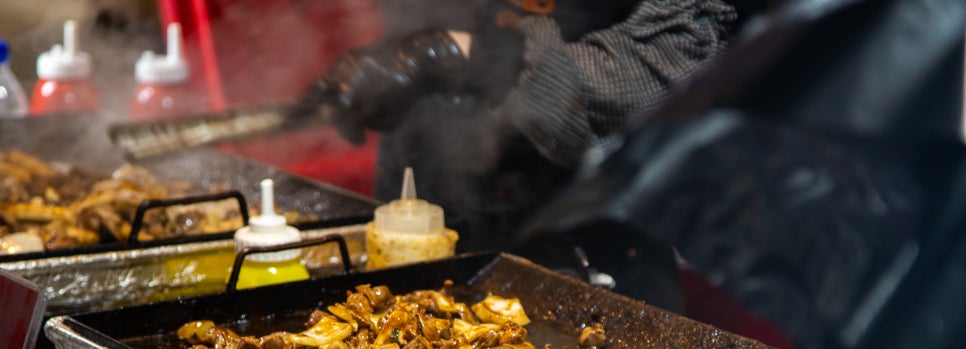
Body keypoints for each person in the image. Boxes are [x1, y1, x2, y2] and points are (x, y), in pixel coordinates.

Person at [301, 1, 760, 257]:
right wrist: (397, 60)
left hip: (585, 233)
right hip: (420, 199)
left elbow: (674, 64)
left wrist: (464, 56)